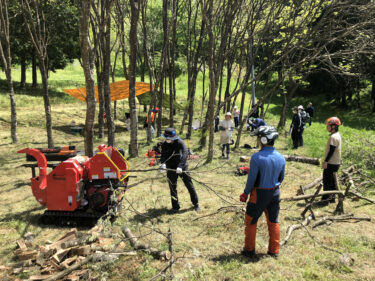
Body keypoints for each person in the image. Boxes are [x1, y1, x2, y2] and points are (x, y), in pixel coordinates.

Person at [239, 126, 285, 258]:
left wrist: (245, 193)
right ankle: (274, 251)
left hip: (259, 194)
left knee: (251, 220)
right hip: (275, 192)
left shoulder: (256, 157)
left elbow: (251, 179)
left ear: (264, 139)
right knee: (273, 220)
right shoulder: (281, 157)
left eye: (259, 137)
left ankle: (249, 250)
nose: (258, 140)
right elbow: (281, 178)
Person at [159, 128, 200, 213]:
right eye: (166, 138)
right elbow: (163, 155)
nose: (167, 139)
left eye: (168, 138)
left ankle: (196, 203)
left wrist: (180, 166)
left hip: (182, 167)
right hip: (170, 168)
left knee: (189, 185)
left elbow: (185, 153)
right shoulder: (164, 144)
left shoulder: (180, 142)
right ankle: (175, 207)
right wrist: (162, 164)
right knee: (172, 188)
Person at [321, 117, 342, 205]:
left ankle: (325, 200)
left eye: (328, 125)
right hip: (336, 162)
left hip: (331, 162)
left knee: (327, 181)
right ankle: (332, 198)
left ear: (333, 126)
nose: (327, 127)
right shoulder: (338, 135)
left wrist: (326, 161)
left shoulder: (333, 137)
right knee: (333, 181)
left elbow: (331, 150)